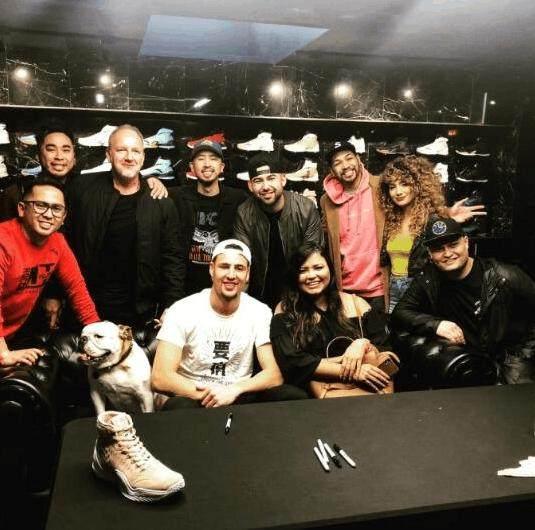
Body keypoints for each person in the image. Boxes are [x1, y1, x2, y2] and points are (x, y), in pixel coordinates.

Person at [151, 239, 307, 408]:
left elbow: (274, 374)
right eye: (224, 267)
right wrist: (212, 396)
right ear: (212, 269)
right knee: (179, 406)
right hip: (192, 395)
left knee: (291, 395)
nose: (231, 275)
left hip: (237, 396)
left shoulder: (259, 311)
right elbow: (160, 377)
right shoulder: (182, 309)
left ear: (247, 274)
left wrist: (234, 390)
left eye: (239, 268)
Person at [64, 124, 184, 327]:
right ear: (108, 154)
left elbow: (173, 259)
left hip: (140, 312)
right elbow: (61, 244)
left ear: (143, 158)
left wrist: (171, 306)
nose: (129, 157)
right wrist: (55, 294)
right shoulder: (81, 189)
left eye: (135, 151)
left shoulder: (161, 202)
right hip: (87, 307)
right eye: (121, 150)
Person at [391, 217, 535, 384]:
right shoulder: (428, 278)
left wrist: (524, 355)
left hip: (509, 358)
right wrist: (436, 325)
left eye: (453, 245)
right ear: (430, 253)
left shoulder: (505, 276)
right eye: (438, 249)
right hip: (469, 363)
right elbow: (400, 312)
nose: (447, 253)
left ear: (466, 242)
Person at [0, 177, 99, 370]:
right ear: (22, 209)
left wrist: (100, 336)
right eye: (40, 206)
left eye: (56, 208)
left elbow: (77, 291)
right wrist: (3, 353)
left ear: (63, 217)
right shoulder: (4, 240)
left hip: (13, 334)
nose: (48, 214)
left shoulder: (58, 243)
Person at [270, 242, 394, 394]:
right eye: (303, 270)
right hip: (321, 399)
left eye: (318, 268)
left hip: (372, 393)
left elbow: (387, 352)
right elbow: (292, 363)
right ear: (294, 275)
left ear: (330, 269)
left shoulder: (356, 304)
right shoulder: (286, 310)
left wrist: (362, 344)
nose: (311, 275)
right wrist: (354, 371)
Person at [379, 155, 486, 312]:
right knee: (395, 326)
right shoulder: (390, 220)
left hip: (422, 288)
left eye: (404, 184)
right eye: (392, 186)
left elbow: (444, 254)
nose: (398, 192)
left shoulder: (433, 219)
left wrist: (448, 218)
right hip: (394, 288)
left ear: (419, 185)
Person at [234, 154, 323, 309]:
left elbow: (313, 255)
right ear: (250, 185)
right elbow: (242, 258)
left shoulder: (305, 208)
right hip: (260, 294)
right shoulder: (244, 213)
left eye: (271, 178)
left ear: (283, 179)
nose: (266, 186)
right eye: (258, 181)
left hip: (301, 292)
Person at [170, 139, 247, 296]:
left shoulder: (238, 199)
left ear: (222, 167)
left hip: (224, 287)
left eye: (213, 159)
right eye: (201, 159)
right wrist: (152, 181)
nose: (207, 164)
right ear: (192, 167)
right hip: (185, 288)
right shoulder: (176, 197)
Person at [321, 142, 387, 313]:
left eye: (349, 158)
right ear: (332, 171)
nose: (345, 165)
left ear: (358, 159)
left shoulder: (380, 187)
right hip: (346, 290)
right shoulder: (326, 201)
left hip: (380, 288)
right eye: (337, 163)